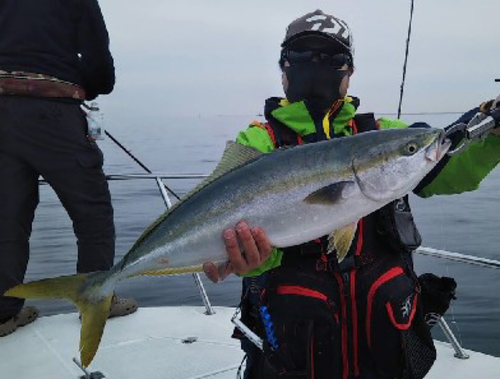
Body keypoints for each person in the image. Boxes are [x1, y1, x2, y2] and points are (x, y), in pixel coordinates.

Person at [204, 9, 500, 379]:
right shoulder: (259, 141)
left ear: (350, 72)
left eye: (332, 58)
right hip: (296, 351)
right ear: (283, 68)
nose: (317, 65)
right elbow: (235, 230)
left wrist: (492, 138)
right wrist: (251, 260)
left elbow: (450, 167)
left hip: (382, 345)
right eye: (302, 56)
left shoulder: (382, 133)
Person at [0, 0, 137, 337]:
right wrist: (86, 85)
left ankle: (3, 314)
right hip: (53, 111)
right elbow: (99, 64)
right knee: (93, 214)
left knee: (7, 220)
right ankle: (96, 300)